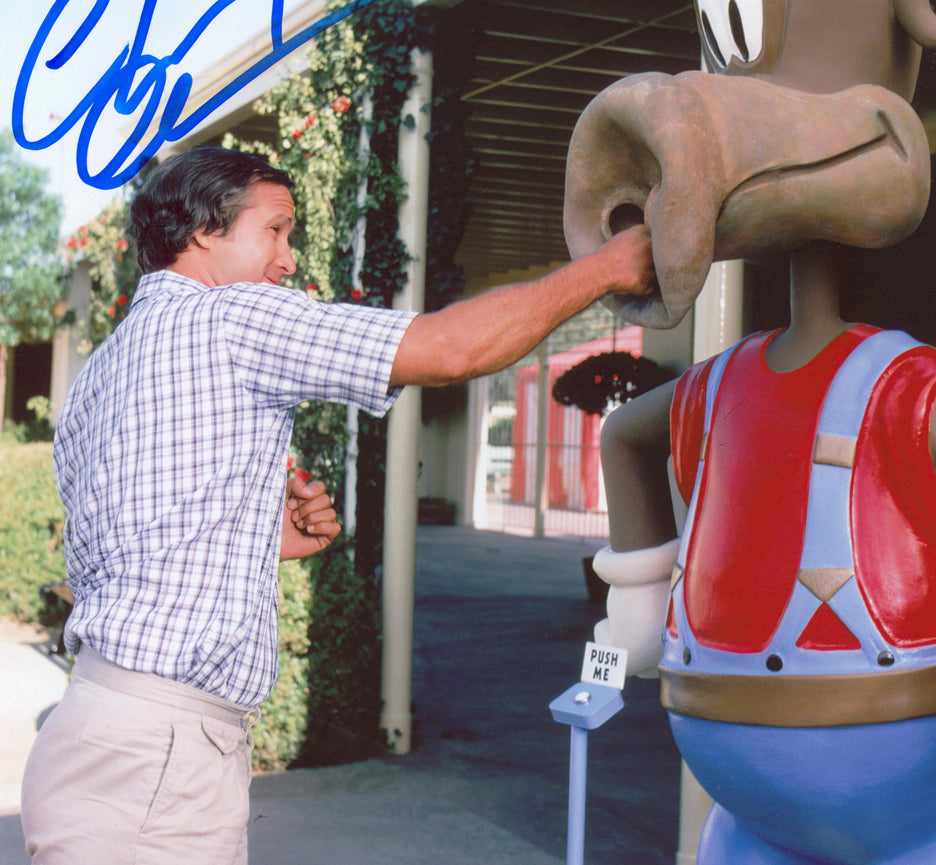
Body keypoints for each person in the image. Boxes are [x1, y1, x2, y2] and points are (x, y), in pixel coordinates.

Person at [20, 145, 654, 865]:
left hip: (91, 730)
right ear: (203, 231)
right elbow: (450, 348)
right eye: (276, 230)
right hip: (160, 759)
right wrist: (607, 268)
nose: (288, 260)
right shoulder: (233, 319)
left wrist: (256, 534)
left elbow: (123, 541)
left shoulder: (101, 369)